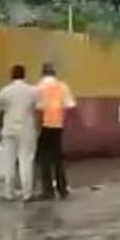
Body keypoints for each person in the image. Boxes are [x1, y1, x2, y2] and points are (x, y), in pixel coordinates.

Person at [0, 64, 39, 202]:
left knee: (9, 161)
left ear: (11, 75)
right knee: (26, 161)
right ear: (24, 75)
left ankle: (9, 192)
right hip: (26, 128)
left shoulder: (5, 91)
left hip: (9, 129)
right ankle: (27, 193)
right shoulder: (32, 91)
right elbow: (38, 108)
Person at [34, 62, 76, 200]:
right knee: (58, 158)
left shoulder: (39, 87)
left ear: (42, 72)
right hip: (58, 125)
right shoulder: (62, 86)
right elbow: (70, 106)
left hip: (44, 126)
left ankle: (48, 191)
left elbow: (37, 108)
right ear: (54, 73)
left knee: (44, 159)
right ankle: (62, 188)